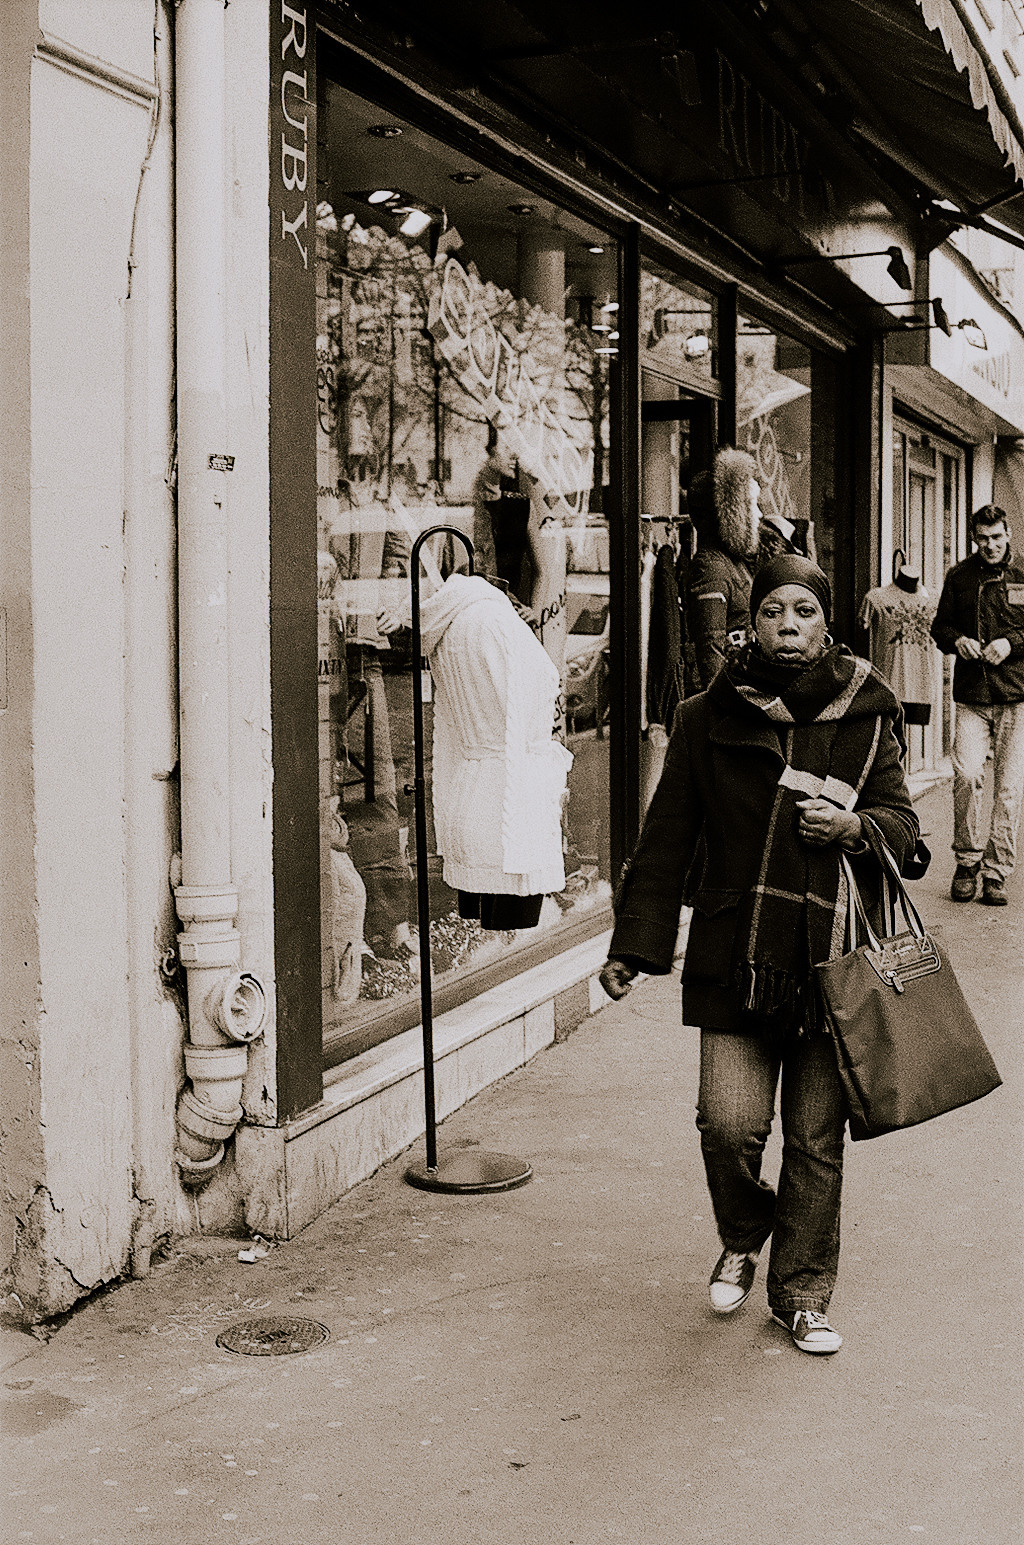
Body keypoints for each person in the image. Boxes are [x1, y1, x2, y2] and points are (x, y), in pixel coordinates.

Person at [600, 555, 919, 1356]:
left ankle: (802, 1291)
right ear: (753, 622)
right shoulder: (708, 715)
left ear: (826, 623)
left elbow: (904, 826)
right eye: (773, 610)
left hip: (832, 962)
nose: (787, 625)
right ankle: (746, 1231)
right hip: (735, 951)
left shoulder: (869, 711)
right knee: (728, 1124)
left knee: (816, 1138)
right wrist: (633, 948)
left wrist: (858, 830)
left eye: (803, 611)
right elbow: (668, 836)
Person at [931, 504, 1024, 906]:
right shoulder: (959, 576)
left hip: (1015, 694)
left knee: (1009, 787)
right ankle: (967, 861)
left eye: (996, 537)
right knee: (967, 775)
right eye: (982, 538)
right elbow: (940, 628)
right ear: (974, 538)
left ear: (1008, 534)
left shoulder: (1023, 574)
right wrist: (958, 642)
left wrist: (1012, 643)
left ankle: (997, 871)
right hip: (972, 694)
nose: (990, 545)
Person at [683, 447, 761, 695]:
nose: (758, 514)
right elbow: (710, 650)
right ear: (731, 515)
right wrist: (720, 707)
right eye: (751, 505)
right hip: (730, 696)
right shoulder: (712, 567)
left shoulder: (733, 562)